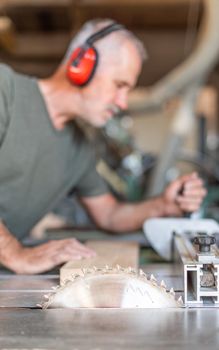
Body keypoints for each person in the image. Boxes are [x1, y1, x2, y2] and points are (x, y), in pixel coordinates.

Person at [0, 19, 206, 274]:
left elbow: (109, 215)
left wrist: (163, 205)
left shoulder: (80, 149)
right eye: (119, 85)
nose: (122, 103)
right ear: (81, 64)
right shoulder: (5, 90)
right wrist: (15, 253)